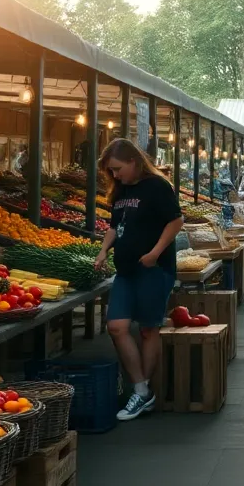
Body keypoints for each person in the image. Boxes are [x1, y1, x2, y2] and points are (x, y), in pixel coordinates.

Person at [93, 138, 185, 421]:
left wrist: (155, 253)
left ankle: (141, 392)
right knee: (117, 326)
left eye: (118, 169)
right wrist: (103, 250)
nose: (114, 175)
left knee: (148, 329)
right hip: (125, 270)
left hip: (154, 270)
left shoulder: (157, 186)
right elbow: (114, 226)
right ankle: (142, 389)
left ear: (134, 161)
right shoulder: (121, 190)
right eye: (111, 171)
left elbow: (176, 220)